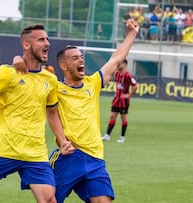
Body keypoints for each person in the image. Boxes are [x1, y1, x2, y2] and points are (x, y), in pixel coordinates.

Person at [0, 24, 74, 203]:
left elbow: (52, 113)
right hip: (4, 148)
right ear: (26, 45)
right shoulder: (7, 72)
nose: (47, 43)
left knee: (49, 200)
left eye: (47, 39)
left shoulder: (50, 79)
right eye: (41, 39)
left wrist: (63, 140)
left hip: (35, 153)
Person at [48, 19, 139, 203]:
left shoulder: (93, 82)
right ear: (64, 66)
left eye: (81, 56)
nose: (81, 59)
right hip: (69, 156)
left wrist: (132, 33)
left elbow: (116, 59)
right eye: (75, 58)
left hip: (95, 158)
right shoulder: (54, 88)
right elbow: (51, 114)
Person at [102, 59, 138, 143]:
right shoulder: (117, 74)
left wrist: (128, 95)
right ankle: (107, 135)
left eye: (120, 63)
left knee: (123, 118)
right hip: (116, 100)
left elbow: (135, 86)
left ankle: (122, 137)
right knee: (112, 116)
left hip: (124, 101)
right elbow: (118, 85)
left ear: (125, 65)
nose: (118, 65)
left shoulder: (128, 75)